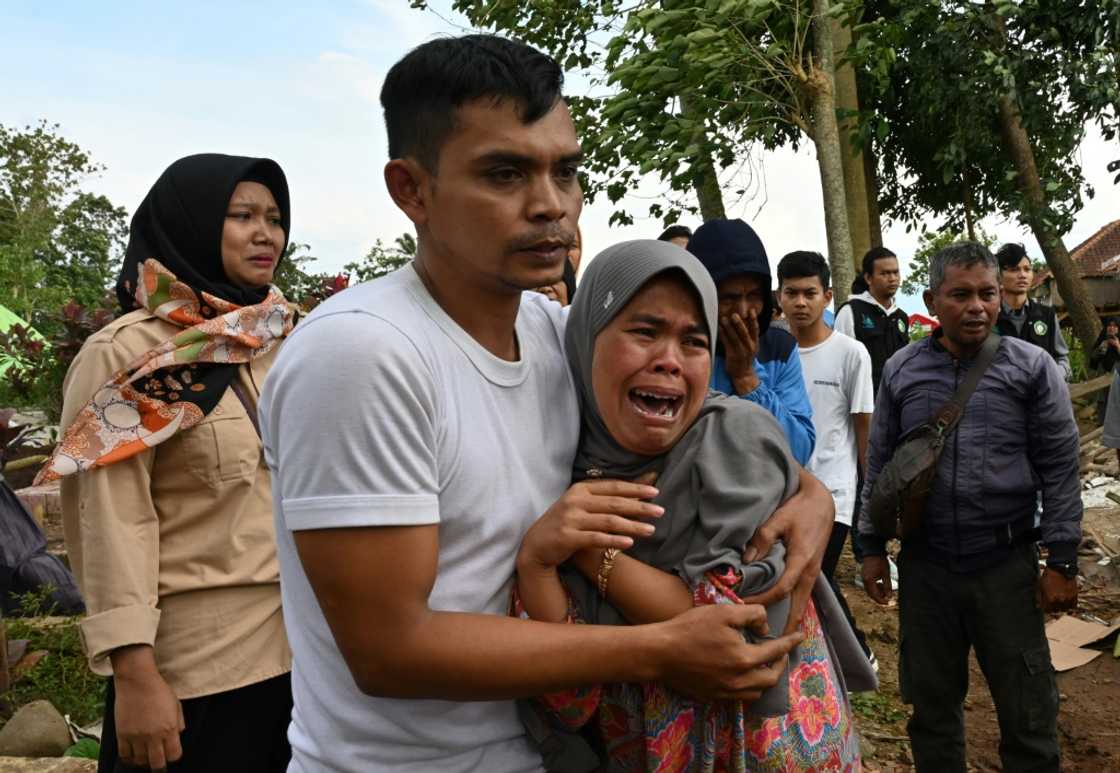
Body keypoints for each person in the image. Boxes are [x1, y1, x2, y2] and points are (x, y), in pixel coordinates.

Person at [259, 35, 834, 772]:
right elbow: (390, 648)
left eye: (566, 170)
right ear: (412, 189)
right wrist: (656, 648)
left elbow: (701, 433)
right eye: (505, 173)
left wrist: (809, 494)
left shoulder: (554, 333)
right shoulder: (363, 354)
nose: (551, 205)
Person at [515, 240, 872, 771]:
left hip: (773, 751)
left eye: (693, 340)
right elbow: (568, 695)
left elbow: (741, 630)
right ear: (586, 340)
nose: (669, 361)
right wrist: (538, 562)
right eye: (644, 331)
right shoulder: (557, 464)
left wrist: (591, 556)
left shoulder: (735, 439)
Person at [39, 154, 296, 772]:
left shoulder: (285, 338)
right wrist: (134, 673)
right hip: (194, 673)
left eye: (275, 218)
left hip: (306, 657)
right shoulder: (126, 354)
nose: (266, 233)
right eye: (241, 216)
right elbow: (111, 520)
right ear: (192, 223)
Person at [858, 241, 1081, 772]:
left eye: (987, 294)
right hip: (926, 567)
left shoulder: (1032, 368)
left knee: (1028, 716)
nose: (977, 306)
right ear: (934, 300)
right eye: (960, 295)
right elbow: (880, 460)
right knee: (932, 712)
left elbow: (1060, 466)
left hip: (1005, 566)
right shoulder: (902, 370)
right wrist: (869, 547)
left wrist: (1063, 559)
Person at [777, 250, 875, 667]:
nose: (800, 302)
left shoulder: (852, 354)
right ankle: (823, 659)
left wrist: (868, 493)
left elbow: (863, 426)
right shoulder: (771, 353)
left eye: (809, 293)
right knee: (803, 578)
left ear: (828, 296)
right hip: (782, 491)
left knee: (816, 574)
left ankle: (858, 655)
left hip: (834, 491)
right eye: (791, 293)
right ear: (777, 296)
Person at [686, 218, 816, 465]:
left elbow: (799, 450)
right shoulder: (679, 348)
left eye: (754, 296)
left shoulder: (780, 349)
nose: (744, 312)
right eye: (728, 298)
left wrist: (747, 378)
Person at [834, 246, 909, 396]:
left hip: (898, 398)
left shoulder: (901, 317)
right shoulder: (851, 311)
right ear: (868, 278)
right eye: (885, 273)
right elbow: (838, 363)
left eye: (895, 272)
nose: (893, 278)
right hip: (863, 403)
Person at [995, 243, 1071, 380]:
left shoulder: (1046, 315)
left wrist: (1054, 375)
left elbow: (1062, 358)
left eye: (1027, 269)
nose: (1022, 275)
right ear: (999, 276)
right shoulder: (991, 317)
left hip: (1042, 396)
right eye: (1014, 269)